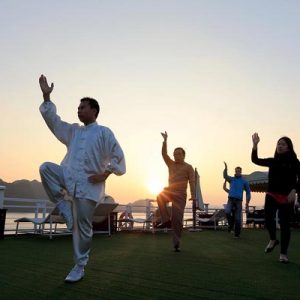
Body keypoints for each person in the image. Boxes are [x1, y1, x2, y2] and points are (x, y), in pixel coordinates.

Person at [38, 74, 126, 282]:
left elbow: (118, 157)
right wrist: (46, 97)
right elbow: (54, 122)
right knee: (46, 168)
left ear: (94, 110)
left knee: (83, 228)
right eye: (78, 108)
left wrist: (105, 173)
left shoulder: (104, 133)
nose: (79, 110)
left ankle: (79, 265)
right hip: (68, 177)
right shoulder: (73, 131)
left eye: (83, 107)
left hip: (89, 186)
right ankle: (63, 205)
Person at [251, 133, 300, 263]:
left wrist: (294, 190)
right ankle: (273, 239)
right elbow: (255, 160)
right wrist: (255, 145)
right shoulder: (273, 161)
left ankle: (283, 254)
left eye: (283, 144)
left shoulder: (295, 162)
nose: (280, 146)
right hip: (272, 193)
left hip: (287, 197)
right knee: (268, 217)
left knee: (285, 226)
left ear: (288, 147)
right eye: (278, 144)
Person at [156, 131, 195, 252]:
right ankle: (166, 220)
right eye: (174, 154)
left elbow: (192, 182)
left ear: (183, 155)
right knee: (160, 197)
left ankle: (176, 243)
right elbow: (164, 154)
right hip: (170, 192)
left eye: (178, 154)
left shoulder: (189, 167)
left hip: (180, 196)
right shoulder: (171, 164)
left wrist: (193, 195)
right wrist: (165, 141)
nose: (176, 156)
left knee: (177, 220)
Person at [223, 162, 251, 238]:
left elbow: (248, 192)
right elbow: (225, 176)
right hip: (231, 199)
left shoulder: (244, 181)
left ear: (240, 172)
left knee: (238, 218)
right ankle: (231, 224)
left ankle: (237, 234)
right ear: (235, 171)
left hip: (238, 200)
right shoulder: (231, 179)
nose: (237, 172)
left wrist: (247, 202)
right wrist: (226, 168)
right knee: (227, 211)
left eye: (239, 171)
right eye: (236, 171)